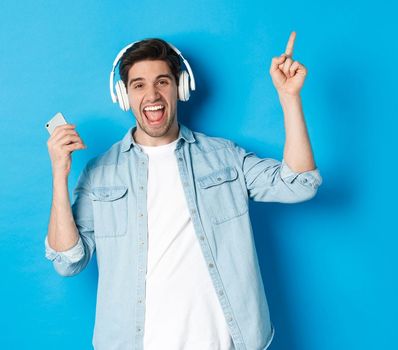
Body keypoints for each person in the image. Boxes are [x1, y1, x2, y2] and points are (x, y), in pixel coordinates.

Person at [44, 32, 321, 350]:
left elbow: (298, 184)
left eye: (162, 81)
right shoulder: (101, 172)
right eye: (139, 85)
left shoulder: (223, 156)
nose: (152, 94)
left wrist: (289, 98)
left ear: (180, 87)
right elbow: (68, 261)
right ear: (124, 96)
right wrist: (59, 175)